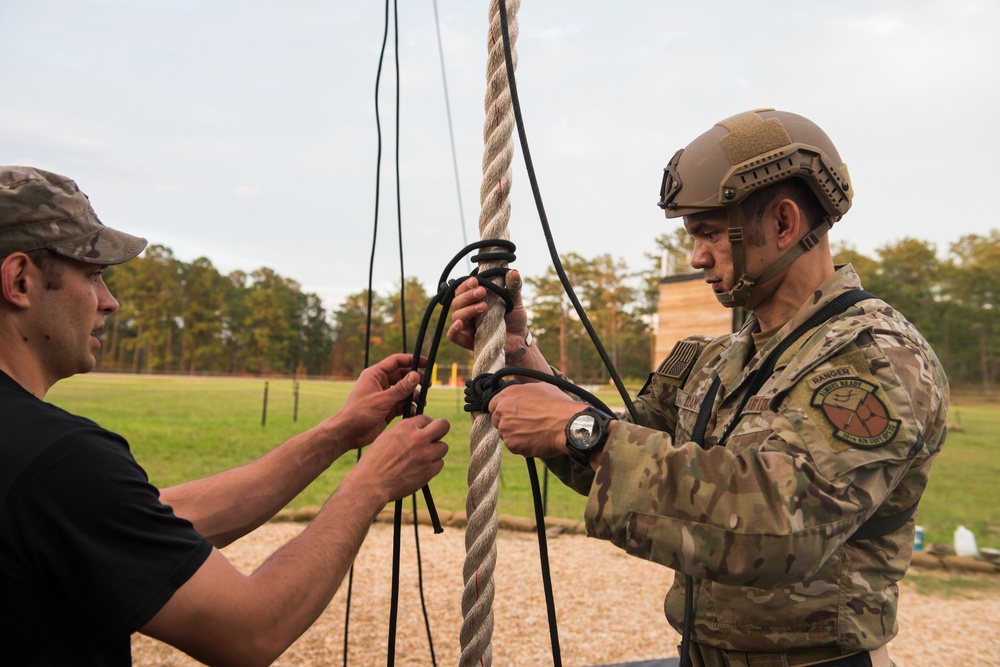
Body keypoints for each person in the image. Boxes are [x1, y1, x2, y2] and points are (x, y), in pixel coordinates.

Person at [447, 109, 948, 667]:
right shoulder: (717, 358)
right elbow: (618, 452)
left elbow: (784, 529)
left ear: (784, 223)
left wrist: (580, 431)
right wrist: (519, 352)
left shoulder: (874, 361)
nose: (696, 257)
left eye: (710, 232)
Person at [0, 166, 450, 666]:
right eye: (92, 274)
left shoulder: (40, 468)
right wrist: (372, 485)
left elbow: (140, 524)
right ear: (19, 281)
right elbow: (251, 630)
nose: (110, 301)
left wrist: (338, 434)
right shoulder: (58, 461)